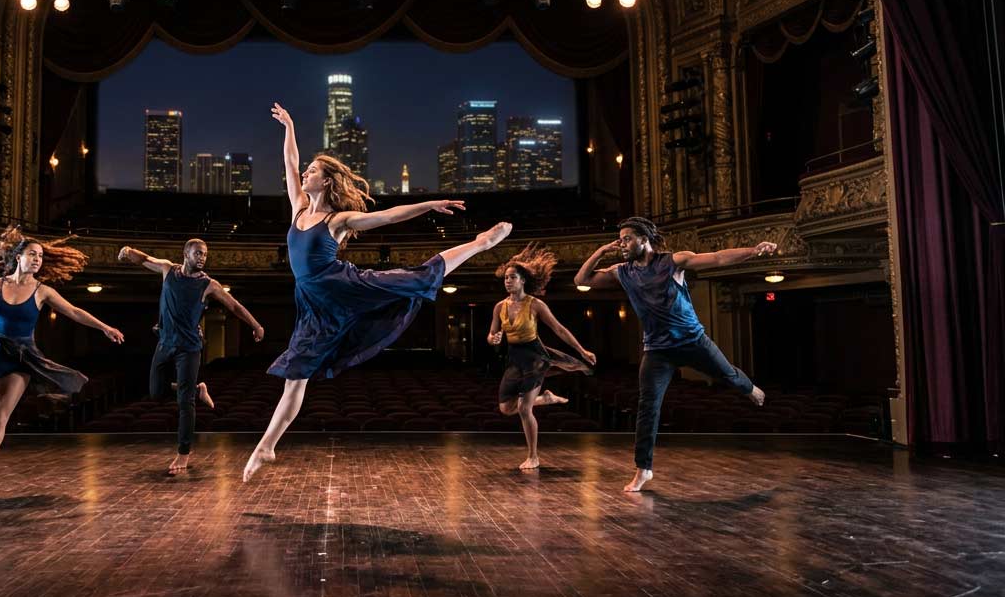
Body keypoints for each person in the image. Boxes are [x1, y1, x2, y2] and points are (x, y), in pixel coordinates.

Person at [243, 102, 513, 482]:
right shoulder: (298, 208)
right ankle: (267, 445)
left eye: (314, 171)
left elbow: (388, 216)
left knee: (415, 277)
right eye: (308, 169)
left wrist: (430, 204)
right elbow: (290, 162)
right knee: (296, 374)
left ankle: (479, 244)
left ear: (327, 181)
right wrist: (289, 126)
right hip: (315, 305)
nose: (305, 173)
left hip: (345, 284)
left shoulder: (338, 220)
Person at [573, 216, 774, 492]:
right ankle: (643, 469)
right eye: (620, 239)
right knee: (648, 407)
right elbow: (581, 279)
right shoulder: (623, 271)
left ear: (644, 239)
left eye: (627, 238)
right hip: (657, 350)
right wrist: (600, 252)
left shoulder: (672, 262)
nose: (622, 244)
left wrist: (752, 251)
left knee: (727, 375)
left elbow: (716, 259)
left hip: (693, 341)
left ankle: (750, 387)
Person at [0, 226, 125, 495]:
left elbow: (74, 311)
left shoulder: (42, 291)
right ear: (18, 256)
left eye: (41, 256)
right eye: (33, 254)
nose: (37, 259)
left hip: (21, 358)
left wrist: (104, 327)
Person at [118, 239, 266, 474]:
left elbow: (234, 306)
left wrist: (256, 325)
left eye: (205, 254)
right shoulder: (168, 269)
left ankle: (183, 453)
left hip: (189, 348)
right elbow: (145, 259)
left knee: (184, 402)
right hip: (165, 344)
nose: (202, 257)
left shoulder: (209, 284)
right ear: (185, 254)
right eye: (198, 253)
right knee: (156, 392)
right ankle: (198, 390)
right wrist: (128, 252)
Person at [488, 243, 596, 470]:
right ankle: (546, 399)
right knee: (506, 408)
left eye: (512, 277)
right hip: (514, 358)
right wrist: (493, 339)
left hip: (535, 356)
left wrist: (581, 350)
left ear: (523, 280)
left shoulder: (535, 305)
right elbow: (492, 334)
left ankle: (533, 456)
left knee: (525, 410)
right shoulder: (500, 306)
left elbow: (559, 329)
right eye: (506, 278)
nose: (508, 281)